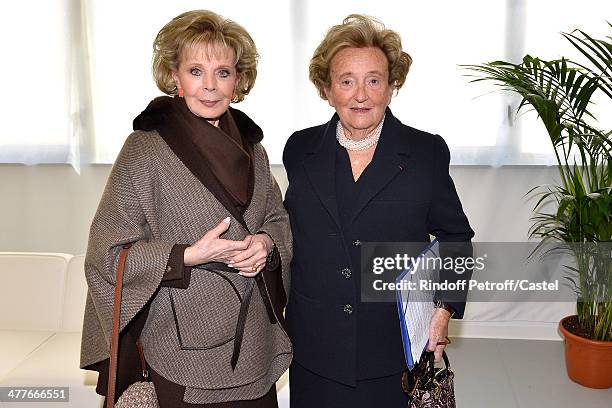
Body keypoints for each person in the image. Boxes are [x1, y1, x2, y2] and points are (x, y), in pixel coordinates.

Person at [80, 10, 292, 408]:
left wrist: (265, 243)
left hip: (255, 346)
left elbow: (277, 218)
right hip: (182, 348)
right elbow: (106, 255)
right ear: (174, 76)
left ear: (238, 79)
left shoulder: (254, 149)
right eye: (196, 70)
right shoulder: (144, 149)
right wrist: (187, 255)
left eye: (223, 72)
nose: (210, 86)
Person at [283, 14, 474, 407]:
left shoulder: (426, 153)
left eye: (374, 80)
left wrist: (443, 310)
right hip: (315, 345)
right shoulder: (299, 150)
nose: (360, 95)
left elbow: (456, 237)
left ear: (391, 85)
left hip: (391, 349)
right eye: (346, 81)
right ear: (327, 88)